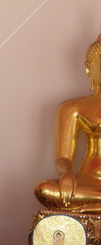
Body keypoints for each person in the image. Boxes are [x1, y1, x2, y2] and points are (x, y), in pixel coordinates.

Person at [35, 33, 101, 213]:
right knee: (45, 189)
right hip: (89, 181)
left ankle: (89, 209)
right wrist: (66, 174)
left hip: (92, 194)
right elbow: (63, 157)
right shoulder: (72, 108)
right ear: (89, 69)